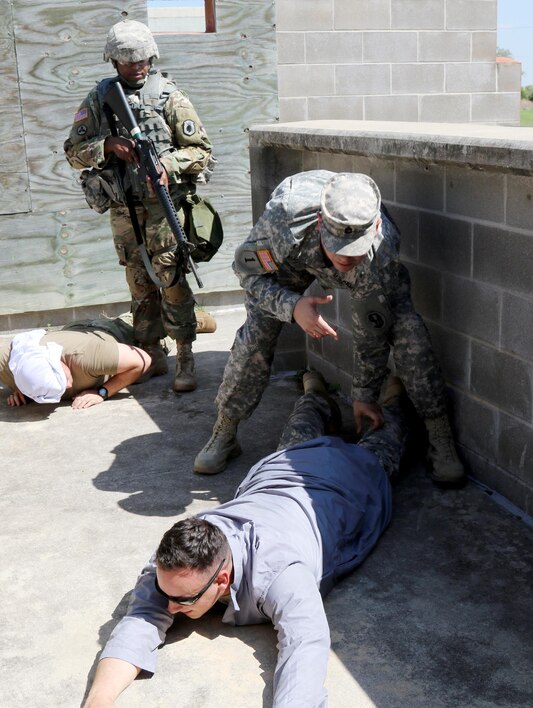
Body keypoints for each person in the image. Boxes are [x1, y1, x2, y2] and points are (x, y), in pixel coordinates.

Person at [67, 372, 408, 708]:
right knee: (298, 434)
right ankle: (317, 397)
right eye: (167, 593)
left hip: (347, 481)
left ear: (222, 579)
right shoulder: (178, 560)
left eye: (183, 600)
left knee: (385, 441)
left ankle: (392, 401)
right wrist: (99, 698)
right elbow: (141, 617)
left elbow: (306, 641)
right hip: (284, 467)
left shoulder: (280, 570)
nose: (169, 607)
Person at [193, 170, 464, 487]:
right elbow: (246, 273)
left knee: (409, 333)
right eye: (338, 245)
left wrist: (363, 395)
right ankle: (225, 430)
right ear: (322, 223)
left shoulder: (382, 248)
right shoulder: (285, 218)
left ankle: (439, 435)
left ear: (375, 228)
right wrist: (292, 306)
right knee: (257, 333)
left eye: (355, 247)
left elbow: (371, 329)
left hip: (371, 274)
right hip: (294, 258)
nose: (345, 256)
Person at [64, 20, 214, 393]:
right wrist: (108, 145)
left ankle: (185, 354)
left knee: (171, 276)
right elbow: (73, 153)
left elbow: (201, 150)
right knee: (138, 280)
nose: (139, 66)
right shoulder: (100, 99)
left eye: (144, 59)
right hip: (124, 207)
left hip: (164, 206)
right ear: (114, 61)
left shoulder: (168, 95)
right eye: (130, 61)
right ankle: (150, 351)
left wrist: (167, 166)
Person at [0, 317, 152, 409]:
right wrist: (27, 388)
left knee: (155, 361)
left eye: (63, 377)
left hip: (111, 331)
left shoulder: (86, 356)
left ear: (57, 361)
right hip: (71, 330)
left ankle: (129, 319)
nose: (68, 386)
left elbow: (143, 360)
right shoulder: (7, 365)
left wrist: (103, 392)